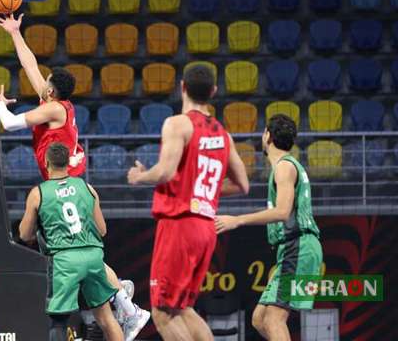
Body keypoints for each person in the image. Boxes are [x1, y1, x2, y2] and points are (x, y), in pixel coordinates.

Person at [0, 13, 149, 339]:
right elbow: (31, 66)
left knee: (78, 249)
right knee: (89, 257)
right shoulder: (59, 105)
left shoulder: (53, 109)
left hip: (66, 183)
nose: (40, 81)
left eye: (45, 81)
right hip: (74, 183)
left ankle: (124, 299)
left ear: (51, 90)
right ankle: (120, 295)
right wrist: (15, 33)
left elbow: (12, 124)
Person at [127, 64, 250, 341]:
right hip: (206, 228)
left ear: (182, 86)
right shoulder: (223, 134)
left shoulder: (178, 124)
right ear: (214, 92)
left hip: (180, 224)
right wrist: (204, 193)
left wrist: (139, 176)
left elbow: (165, 172)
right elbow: (243, 184)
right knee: (183, 308)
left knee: (161, 312)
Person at [215, 114, 323, 341]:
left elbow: (282, 212)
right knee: (260, 318)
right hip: (294, 248)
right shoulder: (286, 167)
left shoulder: (284, 167)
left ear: (267, 136)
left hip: (299, 246)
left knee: (274, 318)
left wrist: (237, 220)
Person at [19, 142, 126, 341]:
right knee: (106, 317)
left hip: (64, 260)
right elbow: (102, 230)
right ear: (68, 162)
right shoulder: (87, 187)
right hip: (93, 256)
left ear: (46, 162)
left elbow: (25, 235)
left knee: (58, 321)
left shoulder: (38, 193)